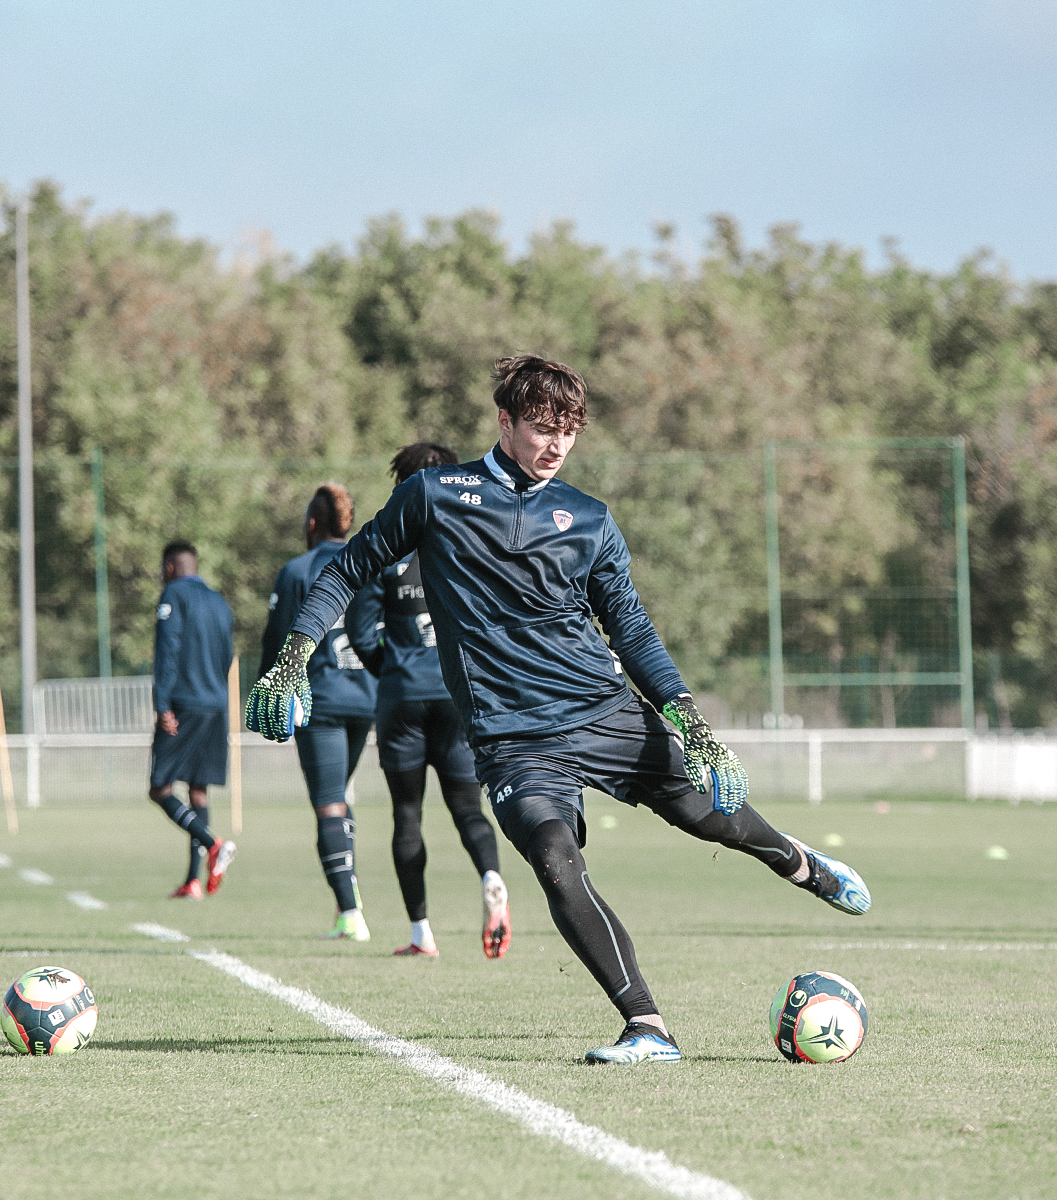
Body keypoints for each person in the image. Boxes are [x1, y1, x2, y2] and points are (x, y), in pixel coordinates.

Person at [246, 355, 871, 1064]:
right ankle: (647, 1025)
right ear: (504, 420)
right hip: (512, 740)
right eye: (543, 428)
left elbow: (630, 629)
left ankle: (799, 862)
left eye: (568, 433)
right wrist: (294, 653)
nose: (556, 446)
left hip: (605, 710)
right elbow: (346, 570)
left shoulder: (590, 519)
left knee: (711, 819)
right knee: (553, 856)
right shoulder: (434, 494)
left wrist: (691, 723)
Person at [346, 442, 511, 960]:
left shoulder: (391, 544)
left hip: (403, 698)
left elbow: (358, 628)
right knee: (469, 809)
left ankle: (422, 933)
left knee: (407, 815)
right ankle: (491, 876)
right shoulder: (473, 542)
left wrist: (393, 672)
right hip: (458, 695)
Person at [261, 483, 381, 941]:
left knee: (329, 802)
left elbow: (279, 640)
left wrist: (267, 689)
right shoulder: (369, 560)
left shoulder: (297, 571)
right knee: (341, 798)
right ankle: (346, 899)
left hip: (322, 701)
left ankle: (350, 912)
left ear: (312, 523)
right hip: (367, 695)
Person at [149, 540, 237, 899]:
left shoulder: (173, 595)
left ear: (170, 566)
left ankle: (212, 844)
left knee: (160, 788)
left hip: (184, 705)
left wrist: (162, 704)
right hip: (216, 704)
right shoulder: (219, 601)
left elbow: (167, 650)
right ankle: (194, 880)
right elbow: (228, 654)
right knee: (197, 789)